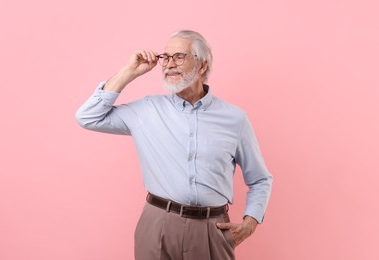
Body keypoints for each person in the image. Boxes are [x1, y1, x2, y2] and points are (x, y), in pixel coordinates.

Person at [76, 30, 272, 260]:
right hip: (158, 224)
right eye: (165, 58)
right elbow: (88, 117)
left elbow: (260, 179)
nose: (169, 64)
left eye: (179, 56)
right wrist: (128, 73)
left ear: (202, 65)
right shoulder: (147, 110)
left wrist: (251, 222)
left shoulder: (234, 119)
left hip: (212, 230)